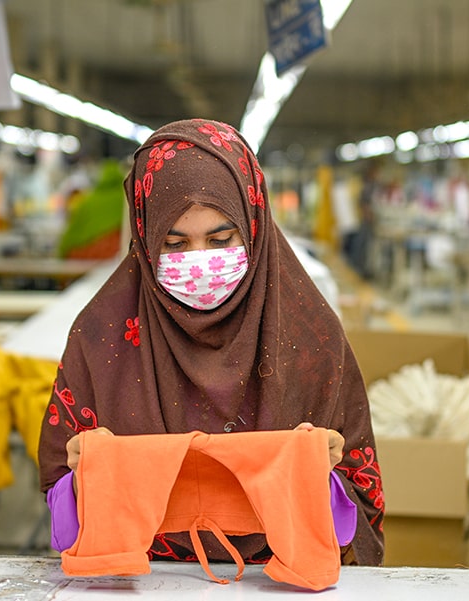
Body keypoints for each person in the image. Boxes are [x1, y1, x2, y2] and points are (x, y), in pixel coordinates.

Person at [37, 118, 385, 566]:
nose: (199, 262)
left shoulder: (311, 339)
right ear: (144, 239)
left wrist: (328, 479)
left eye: (221, 239)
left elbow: (360, 504)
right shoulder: (101, 340)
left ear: (253, 227)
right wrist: (80, 478)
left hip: (277, 585)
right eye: (174, 244)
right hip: (140, 583)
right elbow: (61, 510)